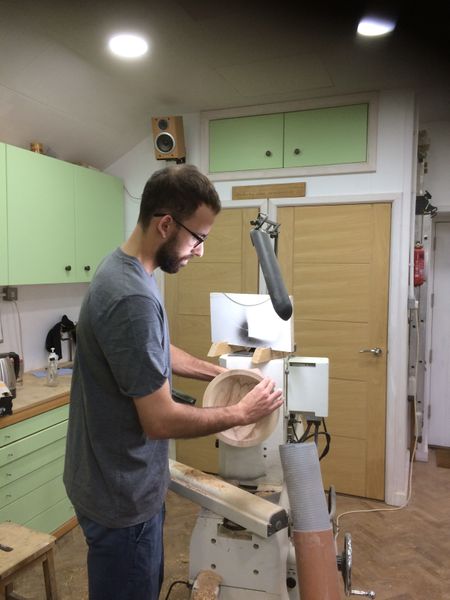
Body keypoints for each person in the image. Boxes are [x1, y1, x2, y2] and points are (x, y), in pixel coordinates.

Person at [63, 163, 283, 600]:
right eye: (198, 237)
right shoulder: (132, 298)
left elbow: (155, 351)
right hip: (121, 494)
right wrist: (240, 413)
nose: (199, 251)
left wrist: (221, 373)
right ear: (166, 224)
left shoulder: (128, 270)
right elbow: (159, 420)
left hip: (107, 478)